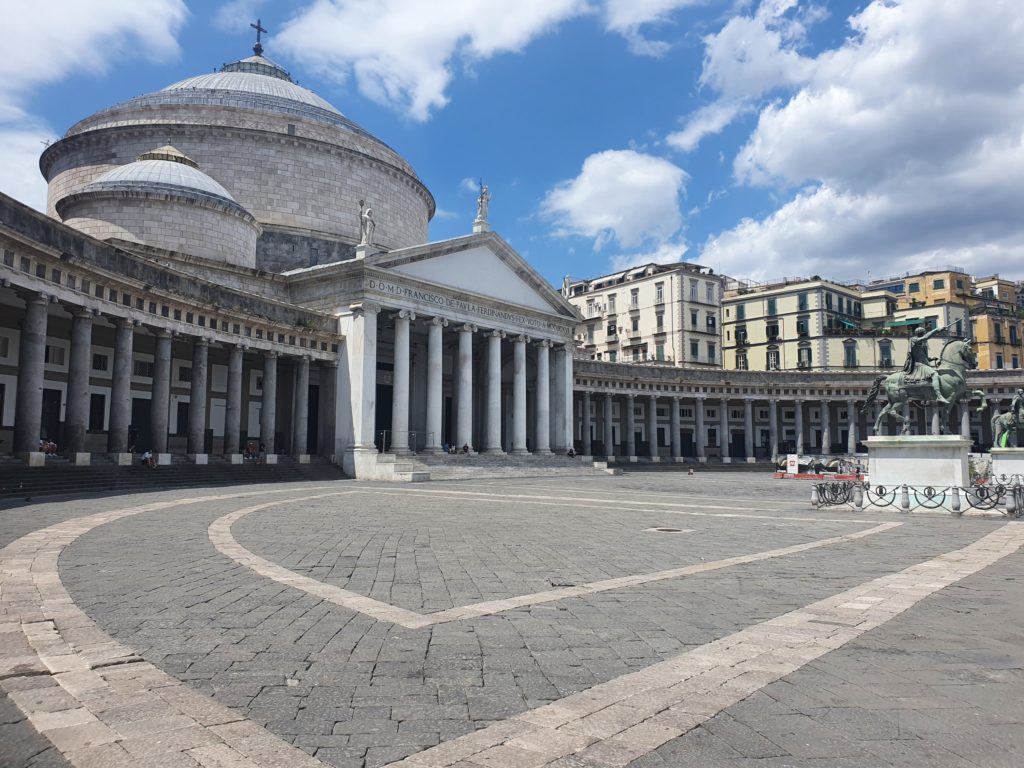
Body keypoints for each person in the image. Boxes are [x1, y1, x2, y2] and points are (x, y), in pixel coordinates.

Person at [902, 326, 949, 404]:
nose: (924, 334)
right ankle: (939, 396)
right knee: (935, 375)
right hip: (919, 365)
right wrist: (936, 330)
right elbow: (925, 338)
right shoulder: (914, 340)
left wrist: (931, 358)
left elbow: (923, 356)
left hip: (924, 364)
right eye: (924, 333)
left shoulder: (922, 344)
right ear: (920, 333)